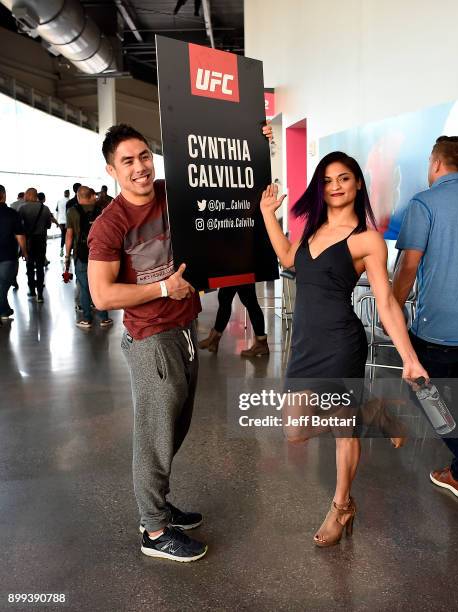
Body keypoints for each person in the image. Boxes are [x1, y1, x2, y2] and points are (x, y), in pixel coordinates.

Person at [88, 122, 272, 562]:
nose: (139, 168)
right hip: (151, 336)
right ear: (112, 169)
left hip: (183, 327)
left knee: (175, 426)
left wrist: (255, 142)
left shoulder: (173, 192)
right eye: (128, 161)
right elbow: (102, 295)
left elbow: (228, 179)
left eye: (144, 156)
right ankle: (153, 530)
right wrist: (163, 289)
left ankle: (158, 505)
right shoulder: (110, 225)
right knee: (154, 434)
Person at [259, 151, 428, 547]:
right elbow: (287, 257)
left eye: (344, 178)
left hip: (340, 344)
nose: (335, 186)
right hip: (304, 345)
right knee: (295, 430)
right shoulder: (312, 230)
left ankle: (341, 505)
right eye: (328, 180)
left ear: (357, 185)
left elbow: (385, 302)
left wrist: (409, 358)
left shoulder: (366, 240)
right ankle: (375, 412)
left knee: (342, 429)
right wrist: (269, 213)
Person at [392, 135, 458, 514]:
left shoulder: (424, 203)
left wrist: (392, 310)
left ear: (436, 163)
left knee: (426, 398)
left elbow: (408, 266)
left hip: (437, 329)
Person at [64, 186, 112, 329]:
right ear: (92, 195)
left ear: (78, 197)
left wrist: (67, 255)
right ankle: (104, 318)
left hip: (81, 254)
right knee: (101, 285)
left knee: (85, 287)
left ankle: (87, 319)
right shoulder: (103, 210)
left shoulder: (72, 211)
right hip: (101, 254)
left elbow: (69, 235)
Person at [199, 284, 269, 356]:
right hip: (238, 273)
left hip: (240, 273)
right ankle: (214, 339)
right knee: (226, 297)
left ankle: (214, 339)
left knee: (247, 300)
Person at [19, 188, 52, 303]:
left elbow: (19, 227)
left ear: (28, 195)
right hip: (41, 240)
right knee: (40, 266)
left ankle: (32, 290)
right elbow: (48, 225)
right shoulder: (45, 208)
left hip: (28, 240)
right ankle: (40, 294)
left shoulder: (22, 208)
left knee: (29, 265)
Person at [0, 185, 26, 319]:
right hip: (8, 255)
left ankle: (4, 309)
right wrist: (25, 252)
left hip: (7, 255)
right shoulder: (12, 214)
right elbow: (20, 236)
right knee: (4, 283)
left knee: (2, 285)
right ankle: (3, 310)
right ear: (3, 196)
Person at [56, 189, 70, 257]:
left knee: (63, 236)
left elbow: (57, 211)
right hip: (68, 221)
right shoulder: (69, 201)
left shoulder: (59, 201)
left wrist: (57, 222)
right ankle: (68, 251)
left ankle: (61, 249)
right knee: (69, 236)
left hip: (61, 221)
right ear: (68, 194)